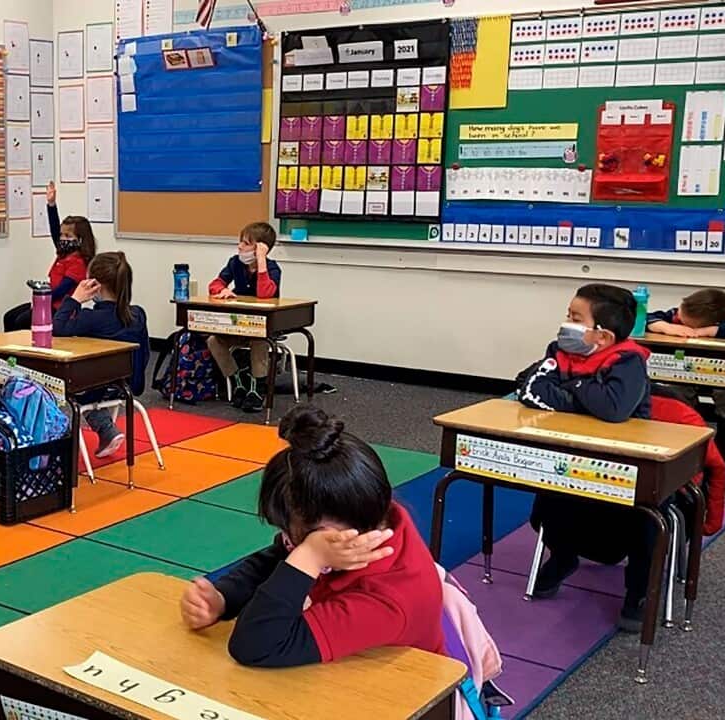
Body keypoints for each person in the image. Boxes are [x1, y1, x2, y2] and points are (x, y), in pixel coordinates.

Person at [180, 406, 444, 666]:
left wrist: (310, 556)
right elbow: (274, 561)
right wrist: (225, 598)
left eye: (297, 541)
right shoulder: (366, 516)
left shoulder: (386, 601)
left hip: (400, 688)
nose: (289, 544)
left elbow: (254, 646)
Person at [516, 283, 655, 631]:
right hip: (570, 452)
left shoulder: (628, 362)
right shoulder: (559, 351)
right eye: (568, 314)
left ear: (603, 336)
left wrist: (571, 387)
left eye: (576, 318)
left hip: (627, 465)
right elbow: (528, 387)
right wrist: (584, 397)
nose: (566, 323)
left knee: (644, 520)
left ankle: (639, 590)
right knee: (549, 501)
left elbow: (613, 409)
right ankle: (563, 557)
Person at [54, 252, 149, 457]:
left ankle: (97, 430)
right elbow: (146, 354)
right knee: (94, 381)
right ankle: (106, 429)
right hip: (127, 385)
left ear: (95, 284)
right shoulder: (138, 314)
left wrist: (75, 299)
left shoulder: (91, 318)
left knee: (64, 385)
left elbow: (57, 328)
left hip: (95, 389)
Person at [647, 288, 725, 455]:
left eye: (687, 325)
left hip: (723, 375)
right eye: (680, 313)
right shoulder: (676, 316)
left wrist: (710, 332)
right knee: (677, 391)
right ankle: (687, 431)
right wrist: (665, 326)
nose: (678, 318)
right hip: (685, 372)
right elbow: (646, 318)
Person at [207, 222, 282, 413]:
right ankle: (238, 381)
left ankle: (257, 390)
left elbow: (265, 293)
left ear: (260, 248)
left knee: (259, 340)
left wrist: (261, 261)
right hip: (238, 326)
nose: (240, 246)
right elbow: (214, 284)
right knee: (214, 340)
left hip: (263, 329)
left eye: (246, 243)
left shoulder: (273, 269)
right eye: (240, 242)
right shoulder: (235, 263)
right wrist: (222, 290)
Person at [2, 182, 96, 331]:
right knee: (10, 317)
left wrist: (40, 297)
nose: (62, 239)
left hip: (61, 309)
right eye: (62, 235)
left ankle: (27, 346)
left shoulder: (78, 263)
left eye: (68, 236)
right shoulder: (64, 254)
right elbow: (54, 229)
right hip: (49, 301)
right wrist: (51, 205)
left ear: (80, 239)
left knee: (21, 322)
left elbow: (62, 290)